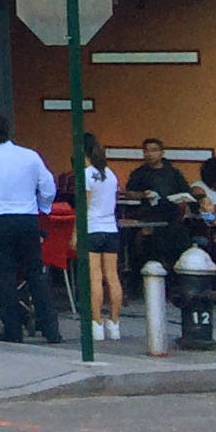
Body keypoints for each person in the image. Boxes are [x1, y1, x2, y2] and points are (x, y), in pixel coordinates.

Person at [0, 112, 62, 345]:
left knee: (3, 275)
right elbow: (48, 186)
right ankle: (51, 329)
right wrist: (43, 206)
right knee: (35, 273)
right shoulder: (30, 156)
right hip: (27, 218)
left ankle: (13, 329)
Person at [79, 139, 125, 341]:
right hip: (111, 228)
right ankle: (114, 323)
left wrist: (75, 232)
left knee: (95, 277)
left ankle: (96, 323)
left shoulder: (87, 174)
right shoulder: (110, 174)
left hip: (92, 228)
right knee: (113, 276)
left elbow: (84, 206)